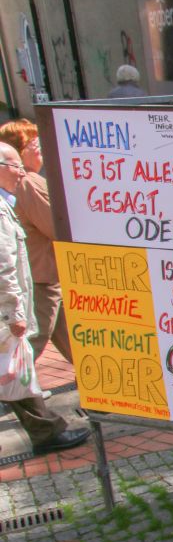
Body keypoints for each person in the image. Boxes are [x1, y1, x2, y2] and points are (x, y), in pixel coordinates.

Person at [0, 143, 90, 454]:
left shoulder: (11, 196)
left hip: (40, 279)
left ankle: (105, 386)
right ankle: (46, 430)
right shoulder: (11, 200)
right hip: (35, 284)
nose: (21, 171)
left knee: (73, 338)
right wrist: (14, 312)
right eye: (14, 165)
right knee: (19, 357)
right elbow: (5, 264)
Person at [0, 121, 71, 365]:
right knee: (32, 341)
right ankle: (16, 389)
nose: (40, 147)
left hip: (45, 273)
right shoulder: (28, 182)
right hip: (44, 276)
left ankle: (103, 386)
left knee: (73, 341)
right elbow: (56, 226)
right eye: (33, 143)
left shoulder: (24, 182)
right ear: (19, 151)